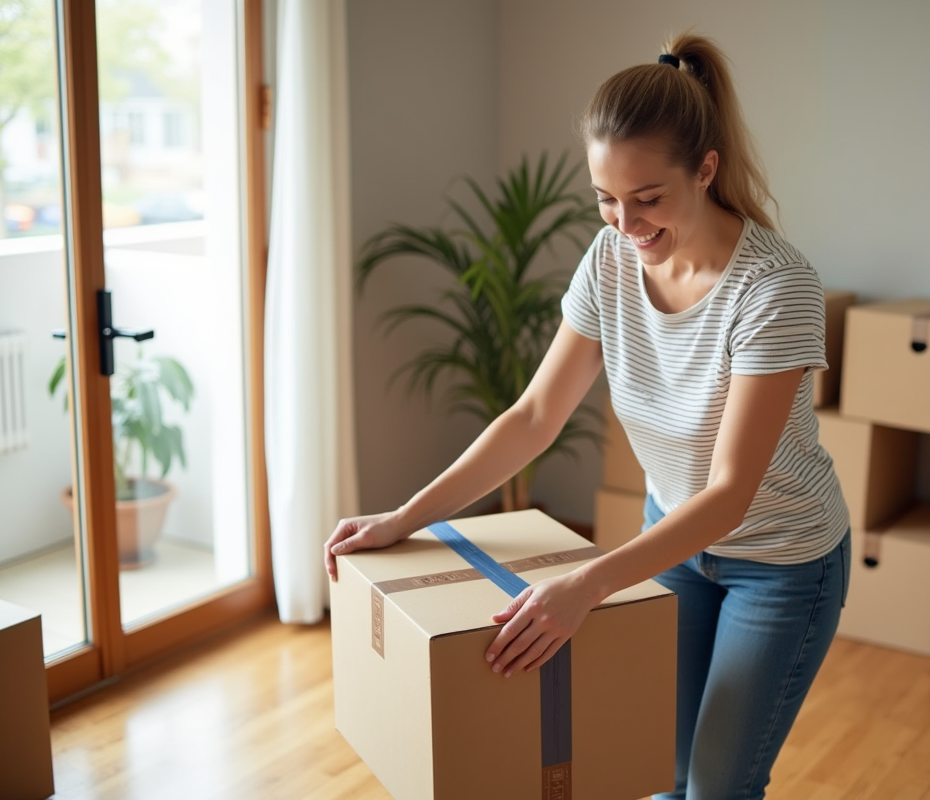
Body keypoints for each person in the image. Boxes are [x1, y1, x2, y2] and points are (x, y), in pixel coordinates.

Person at [324, 32, 850, 800]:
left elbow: (732, 492)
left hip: (782, 563)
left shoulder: (775, 288)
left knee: (716, 788)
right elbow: (535, 415)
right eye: (606, 199)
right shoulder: (609, 263)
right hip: (676, 538)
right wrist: (407, 517)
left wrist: (587, 584)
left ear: (704, 170)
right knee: (657, 772)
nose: (625, 224)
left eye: (647, 199)